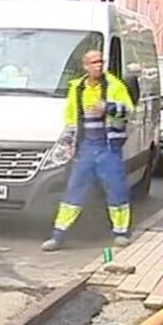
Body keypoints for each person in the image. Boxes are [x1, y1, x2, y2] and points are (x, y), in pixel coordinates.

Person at [42, 49, 134, 252]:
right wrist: (68, 147)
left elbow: (128, 110)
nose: (98, 65)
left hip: (108, 148)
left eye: (101, 61)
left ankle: (120, 233)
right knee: (74, 191)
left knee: (116, 189)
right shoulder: (77, 89)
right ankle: (58, 235)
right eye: (93, 62)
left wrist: (108, 108)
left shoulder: (114, 85)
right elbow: (71, 122)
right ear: (85, 66)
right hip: (86, 148)